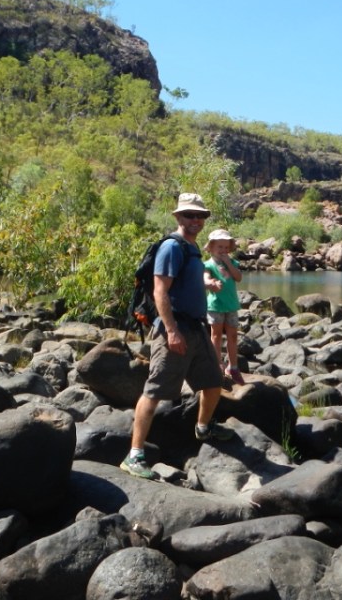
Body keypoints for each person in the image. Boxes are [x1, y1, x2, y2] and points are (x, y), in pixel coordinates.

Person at [120, 192, 235, 480]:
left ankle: (203, 427)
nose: (195, 220)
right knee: (155, 390)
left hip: (196, 327)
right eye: (189, 215)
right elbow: (160, 291)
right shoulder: (172, 247)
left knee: (213, 382)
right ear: (178, 217)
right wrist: (171, 331)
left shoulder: (193, 249)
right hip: (175, 328)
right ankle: (134, 455)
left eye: (200, 216)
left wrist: (207, 285)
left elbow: (188, 283)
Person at [204, 228, 245, 385]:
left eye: (226, 247)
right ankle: (218, 364)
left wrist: (228, 262)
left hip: (231, 305)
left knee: (233, 336)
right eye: (220, 247)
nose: (223, 250)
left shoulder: (232, 262)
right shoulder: (208, 264)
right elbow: (205, 278)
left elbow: (238, 277)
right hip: (215, 306)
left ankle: (233, 366)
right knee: (216, 336)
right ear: (212, 247)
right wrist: (211, 283)